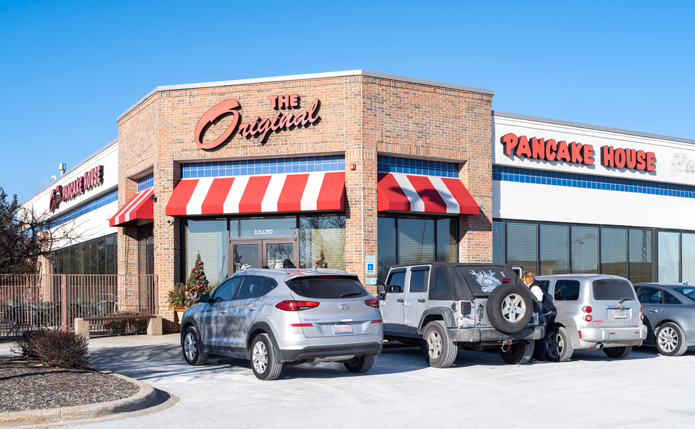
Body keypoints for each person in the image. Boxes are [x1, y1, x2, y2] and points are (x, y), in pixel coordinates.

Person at [522, 271, 557, 363]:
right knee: (540, 335)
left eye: (524, 280)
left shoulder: (535, 287)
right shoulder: (536, 285)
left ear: (527, 280)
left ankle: (540, 358)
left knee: (541, 335)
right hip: (544, 313)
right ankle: (537, 356)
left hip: (543, 314)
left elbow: (538, 301)